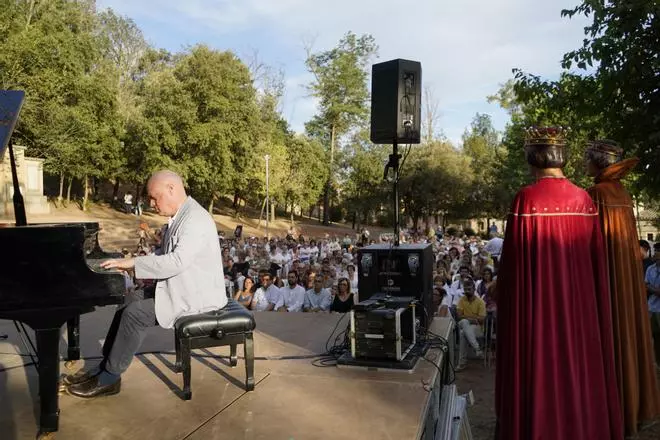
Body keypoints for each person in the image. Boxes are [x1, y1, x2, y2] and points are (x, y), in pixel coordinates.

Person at [495, 127, 623, 440]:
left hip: (536, 310)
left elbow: (511, 265)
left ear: (532, 157)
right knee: (579, 367)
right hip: (579, 312)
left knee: (538, 365)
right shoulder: (583, 199)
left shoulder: (526, 199)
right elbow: (596, 261)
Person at [64, 170, 228, 399]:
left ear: (171, 189)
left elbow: (177, 261)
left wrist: (132, 262)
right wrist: (133, 261)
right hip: (184, 285)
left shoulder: (195, 219)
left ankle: (110, 378)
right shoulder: (182, 215)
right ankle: (106, 364)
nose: (151, 203)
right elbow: (168, 253)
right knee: (128, 300)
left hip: (197, 296)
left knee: (135, 314)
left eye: (154, 197)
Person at [585, 139, 660, 434]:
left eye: (587, 158)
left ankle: (610, 412)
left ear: (598, 162)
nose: (584, 163)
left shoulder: (595, 193)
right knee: (627, 333)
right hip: (625, 280)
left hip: (605, 276)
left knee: (609, 335)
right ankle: (633, 408)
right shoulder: (622, 193)